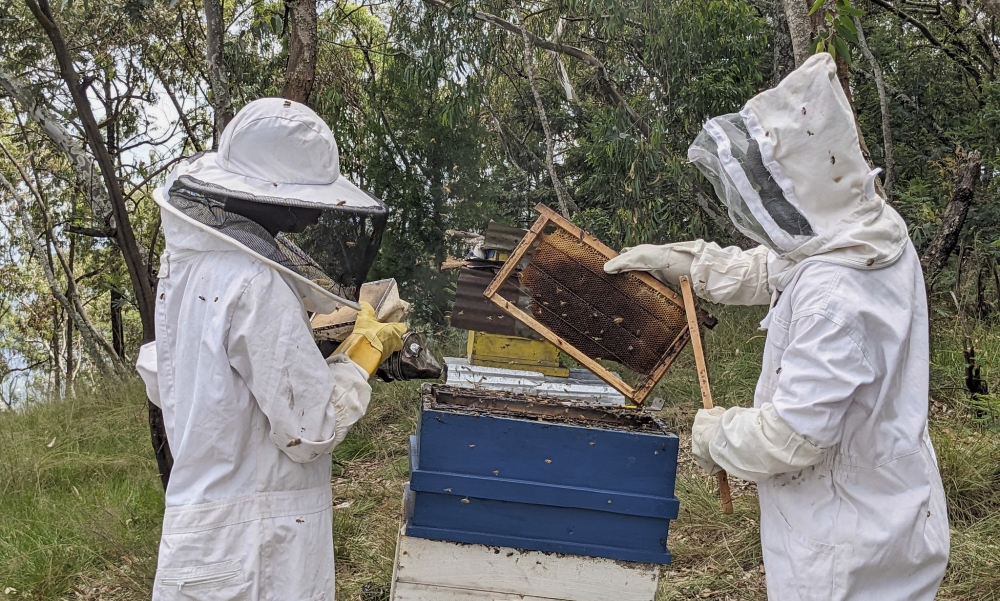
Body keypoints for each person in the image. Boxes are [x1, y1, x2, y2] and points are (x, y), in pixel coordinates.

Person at [605, 53, 949, 601]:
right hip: (891, 504)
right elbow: (783, 264)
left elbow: (792, 438)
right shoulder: (873, 229)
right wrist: (689, 262)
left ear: (802, 189)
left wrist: (718, 435)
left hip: (841, 544)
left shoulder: (833, 298)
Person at [135, 98, 406, 601]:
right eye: (301, 199)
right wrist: (360, 357)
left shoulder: (188, 267)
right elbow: (311, 429)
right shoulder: (254, 283)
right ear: (266, 194)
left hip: (206, 539)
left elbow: (168, 371)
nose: (312, 215)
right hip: (255, 554)